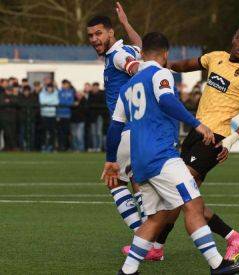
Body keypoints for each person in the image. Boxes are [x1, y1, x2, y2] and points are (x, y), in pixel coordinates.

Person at [105, 31, 239, 275]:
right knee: (193, 203)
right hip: (161, 157)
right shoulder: (162, 73)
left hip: (139, 164)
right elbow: (167, 101)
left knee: (155, 218)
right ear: (166, 55)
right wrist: (197, 124)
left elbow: (114, 128)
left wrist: (111, 160)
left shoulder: (127, 87)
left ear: (141, 54)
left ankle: (128, 271)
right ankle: (218, 264)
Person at [157, 23, 239, 262]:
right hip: (197, 131)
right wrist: (163, 66)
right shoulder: (215, 57)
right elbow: (186, 65)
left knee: (178, 189)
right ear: (233, 39)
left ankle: (233, 236)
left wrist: (230, 141)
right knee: (183, 197)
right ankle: (157, 247)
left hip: (214, 138)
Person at [87, 2, 145, 248]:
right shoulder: (126, 49)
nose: (94, 39)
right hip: (140, 131)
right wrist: (126, 23)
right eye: (90, 35)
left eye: (98, 33)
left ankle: (144, 238)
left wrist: (143, 75)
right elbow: (140, 47)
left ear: (110, 34)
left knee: (115, 182)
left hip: (125, 130)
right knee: (136, 180)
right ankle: (151, 240)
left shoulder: (118, 55)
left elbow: (135, 67)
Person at [39, 83, 59, 152]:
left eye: (51, 87)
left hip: (52, 115)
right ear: (46, 88)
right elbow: (42, 102)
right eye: (49, 87)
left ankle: (51, 146)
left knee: (52, 132)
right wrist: (51, 101)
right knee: (43, 132)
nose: (50, 89)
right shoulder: (42, 94)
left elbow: (56, 102)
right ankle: (43, 146)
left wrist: (47, 102)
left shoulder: (55, 93)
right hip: (44, 115)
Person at [57, 79, 75, 151]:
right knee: (60, 132)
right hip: (60, 115)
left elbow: (71, 102)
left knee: (67, 132)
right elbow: (59, 101)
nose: (65, 85)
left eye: (66, 84)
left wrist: (64, 102)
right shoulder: (59, 92)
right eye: (64, 84)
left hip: (68, 115)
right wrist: (66, 102)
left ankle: (67, 147)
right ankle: (61, 146)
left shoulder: (71, 92)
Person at [87, 82, 106, 152]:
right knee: (93, 133)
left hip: (99, 116)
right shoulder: (90, 94)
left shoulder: (102, 94)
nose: (95, 88)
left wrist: (94, 106)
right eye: (94, 87)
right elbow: (88, 104)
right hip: (92, 117)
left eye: (96, 87)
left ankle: (99, 147)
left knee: (98, 132)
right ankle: (95, 147)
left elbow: (103, 104)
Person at [0, 86, 19, 150]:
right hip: (4, 118)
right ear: (5, 90)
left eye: (10, 90)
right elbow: (1, 103)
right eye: (8, 90)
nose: (9, 91)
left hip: (13, 118)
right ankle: (13, 147)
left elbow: (17, 103)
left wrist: (9, 101)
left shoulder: (14, 96)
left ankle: (8, 147)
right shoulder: (1, 96)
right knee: (8, 133)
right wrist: (10, 103)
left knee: (13, 132)